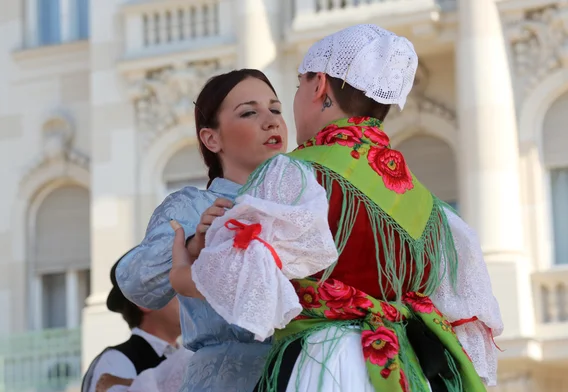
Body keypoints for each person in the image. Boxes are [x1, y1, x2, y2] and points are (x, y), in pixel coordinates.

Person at [171, 24, 503, 392]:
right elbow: (465, 326)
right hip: (408, 372)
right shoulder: (435, 210)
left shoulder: (295, 174)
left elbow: (246, 286)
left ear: (320, 86)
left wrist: (185, 270)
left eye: (298, 87)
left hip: (325, 364)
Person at [115, 69, 289, 391]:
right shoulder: (192, 207)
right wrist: (194, 246)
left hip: (301, 374)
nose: (271, 121)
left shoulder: (306, 201)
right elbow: (135, 284)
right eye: (250, 112)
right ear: (212, 138)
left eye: (276, 109)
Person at [81, 251, 182, 392]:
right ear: (146, 302)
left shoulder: (188, 354)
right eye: (174, 289)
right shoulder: (116, 361)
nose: (187, 295)